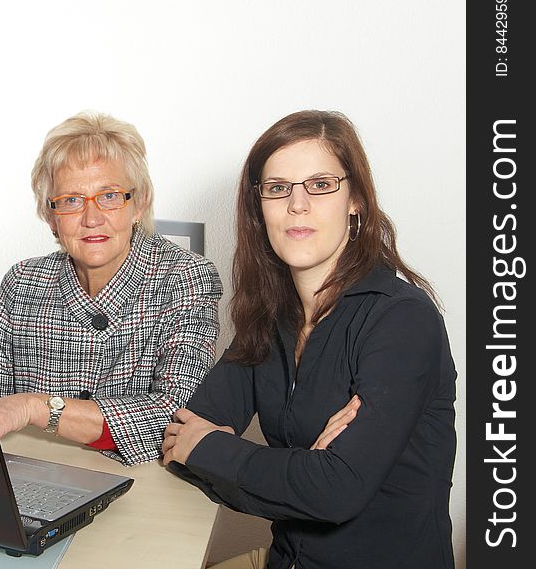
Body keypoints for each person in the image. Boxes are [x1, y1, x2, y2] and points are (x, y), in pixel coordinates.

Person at [162, 110, 456, 568]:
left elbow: (335, 493)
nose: (296, 205)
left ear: (355, 199)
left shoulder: (402, 320)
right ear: (259, 207)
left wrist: (214, 449)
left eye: (320, 185)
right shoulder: (271, 317)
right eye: (278, 188)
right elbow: (179, 436)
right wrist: (302, 474)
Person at [0, 111, 222, 465]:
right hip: (35, 482)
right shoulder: (21, 283)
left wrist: (36, 408)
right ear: (51, 217)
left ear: (138, 203)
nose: (91, 218)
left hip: (145, 489)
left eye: (109, 196)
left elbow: (176, 417)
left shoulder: (185, 277)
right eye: (71, 201)